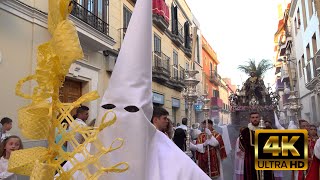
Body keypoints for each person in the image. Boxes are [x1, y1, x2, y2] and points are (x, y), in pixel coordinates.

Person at [239, 112, 274, 180]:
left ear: (260, 118)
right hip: (251, 159)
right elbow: (242, 146)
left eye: (256, 117)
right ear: (250, 119)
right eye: (253, 117)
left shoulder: (268, 129)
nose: (255, 119)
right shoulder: (245, 132)